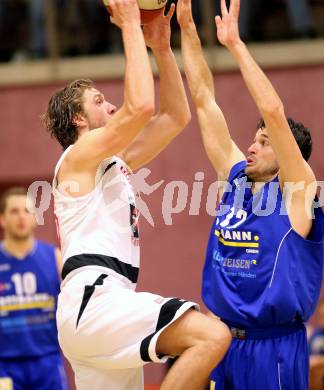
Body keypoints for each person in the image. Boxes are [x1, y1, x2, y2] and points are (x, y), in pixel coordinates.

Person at [43, 1, 231, 389]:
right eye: (98, 102)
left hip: (102, 309)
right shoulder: (76, 158)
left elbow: (175, 117)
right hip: (94, 300)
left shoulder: (112, 162)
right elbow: (141, 106)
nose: (109, 104)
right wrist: (130, 24)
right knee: (212, 336)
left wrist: (161, 47)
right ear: (79, 120)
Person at [177, 0, 324, 389]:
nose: (251, 146)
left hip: (273, 347)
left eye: (264, 141)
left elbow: (273, 111)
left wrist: (235, 45)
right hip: (223, 342)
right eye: (253, 138)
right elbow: (204, 99)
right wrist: (188, 30)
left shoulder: (298, 193)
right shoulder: (237, 181)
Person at [0, 187, 68, 390]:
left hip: (47, 360)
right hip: (4, 364)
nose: (21, 216)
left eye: (27, 210)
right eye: (14, 211)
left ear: (36, 218)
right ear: (2, 219)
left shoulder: (55, 257)